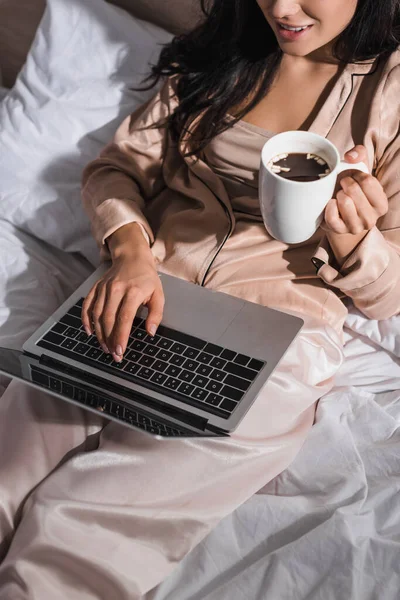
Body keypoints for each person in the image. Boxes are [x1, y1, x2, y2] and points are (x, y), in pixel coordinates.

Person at [0, 1, 400, 597]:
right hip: (145, 298)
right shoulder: (223, 51)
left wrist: (353, 238)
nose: (282, 8)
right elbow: (115, 169)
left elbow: (387, 294)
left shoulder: (390, 94)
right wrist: (131, 250)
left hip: (276, 338)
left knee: (83, 532)